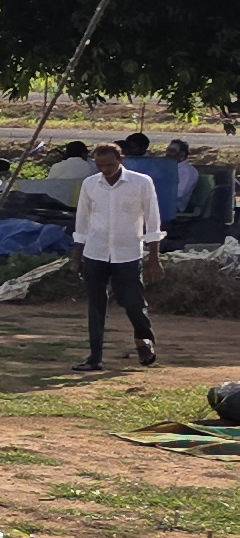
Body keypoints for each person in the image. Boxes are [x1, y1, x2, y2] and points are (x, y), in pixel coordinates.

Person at [73, 141, 163, 370]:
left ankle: (143, 339)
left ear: (121, 160)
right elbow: (82, 222)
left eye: (109, 164)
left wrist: (154, 258)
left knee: (132, 302)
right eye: (100, 165)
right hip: (95, 252)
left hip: (128, 253)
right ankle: (95, 357)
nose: (105, 169)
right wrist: (78, 256)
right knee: (96, 306)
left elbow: (153, 222)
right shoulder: (90, 184)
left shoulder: (141, 183)